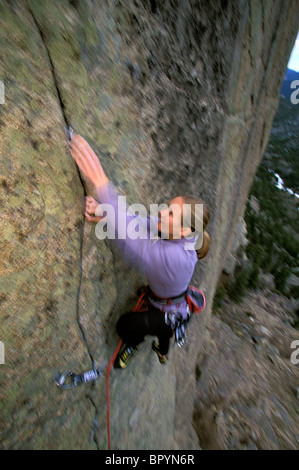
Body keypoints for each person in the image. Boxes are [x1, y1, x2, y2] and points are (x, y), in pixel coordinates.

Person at [70, 132, 210, 368]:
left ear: (185, 230)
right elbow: (143, 222)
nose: (161, 212)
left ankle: (134, 344)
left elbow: (132, 235)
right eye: (168, 207)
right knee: (165, 333)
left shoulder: (171, 256)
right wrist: (106, 212)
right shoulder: (186, 238)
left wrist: (101, 183)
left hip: (164, 310)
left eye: (171, 214)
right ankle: (162, 350)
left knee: (126, 326)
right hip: (175, 304)